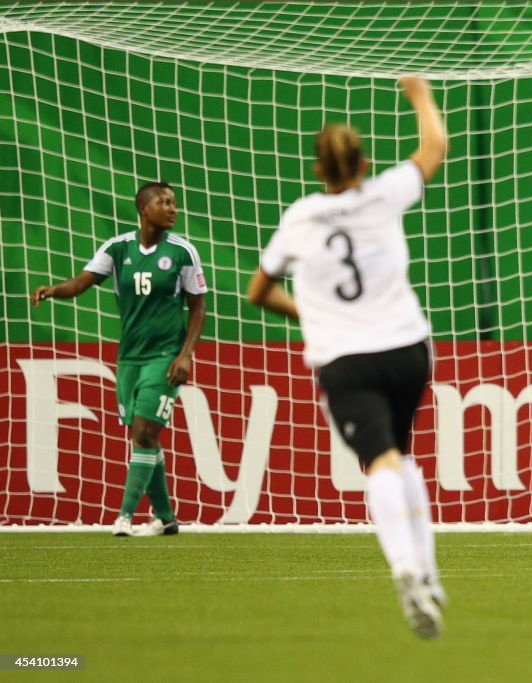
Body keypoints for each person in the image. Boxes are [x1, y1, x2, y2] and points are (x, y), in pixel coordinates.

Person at [247, 76, 447, 638]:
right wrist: (419, 96)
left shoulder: (300, 218)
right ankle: (429, 577)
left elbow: (257, 291)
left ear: (318, 170)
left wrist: (309, 314)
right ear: (363, 165)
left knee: (381, 462)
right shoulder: (385, 194)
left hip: (346, 358)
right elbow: (433, 148)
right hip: (408, 349)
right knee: (402, 457)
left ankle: (406, 568)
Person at [31, 182, 208, 538]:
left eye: (174, 203)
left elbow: (198, 306)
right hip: (129, 359)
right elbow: (82, 281)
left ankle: (124, 516)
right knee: (143, 437)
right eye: (164, 202)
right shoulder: (117, 248)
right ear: (144, 208)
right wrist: (54, 290)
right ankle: (166, 518)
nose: (173, 208)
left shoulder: (182, 252)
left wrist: (185, 354)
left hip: (165, 357)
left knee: (144, 432)